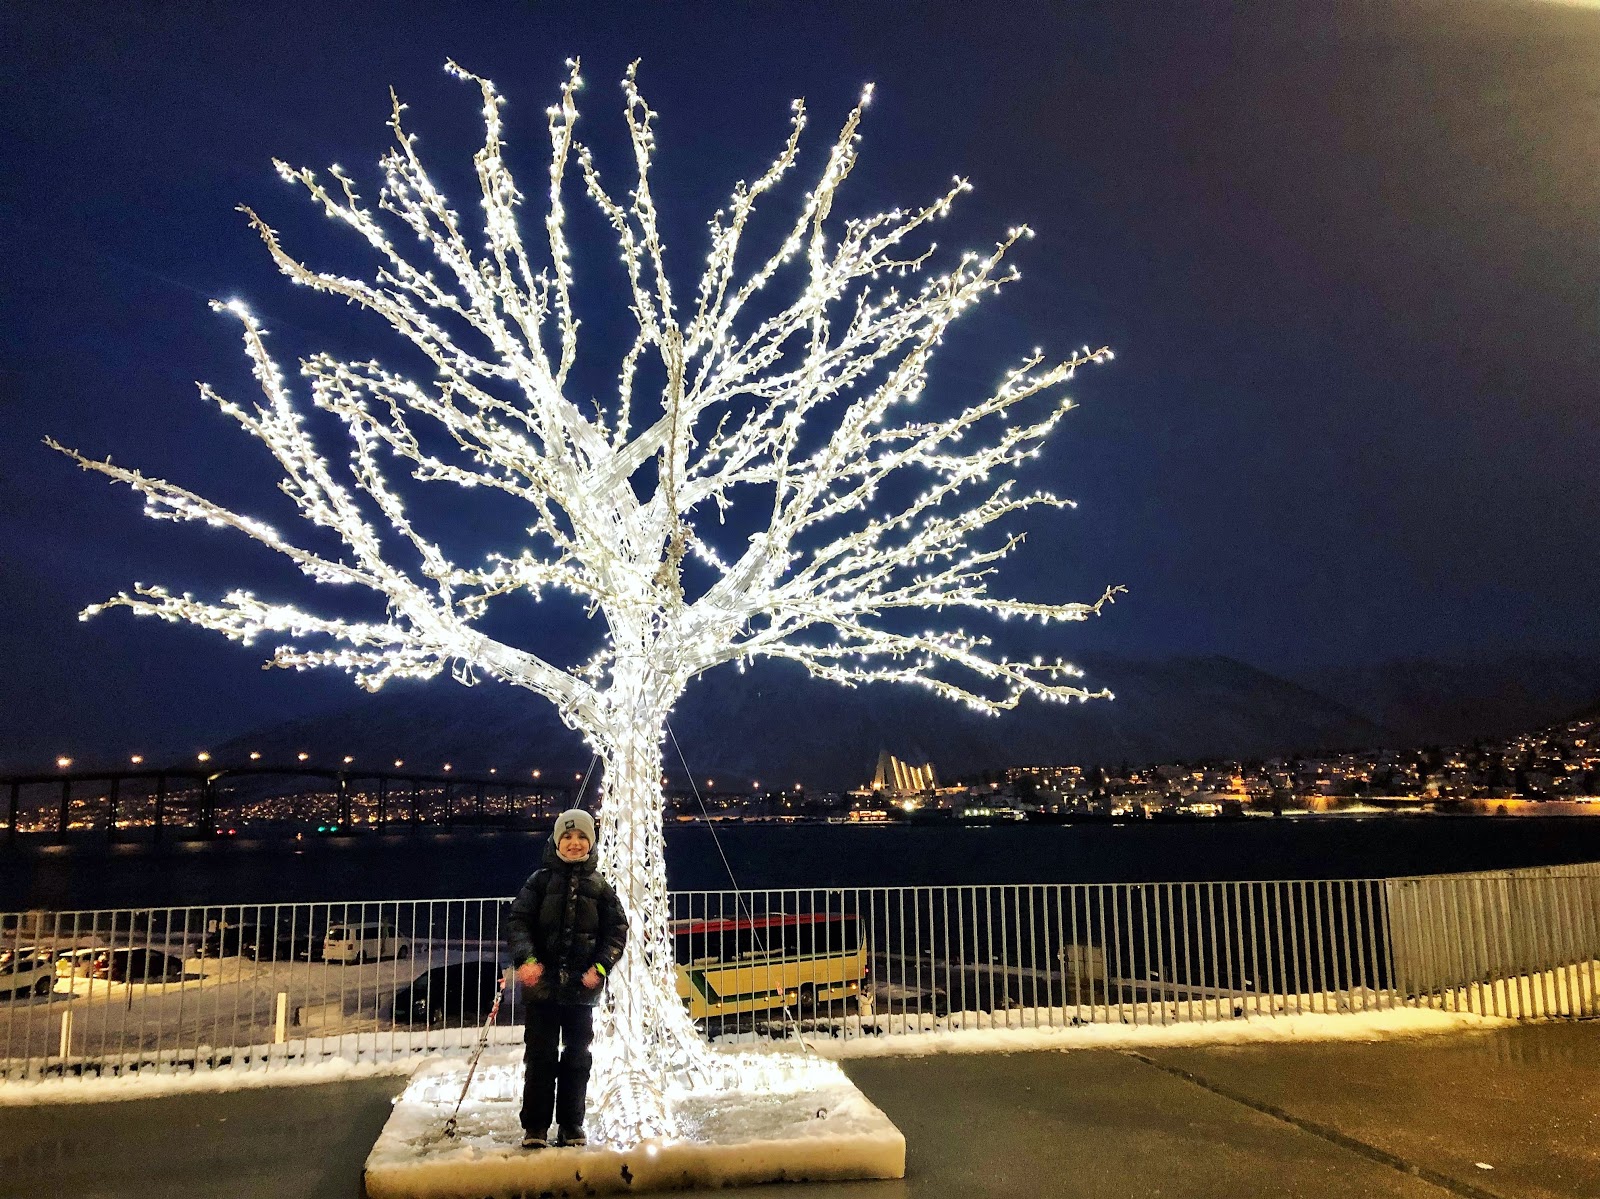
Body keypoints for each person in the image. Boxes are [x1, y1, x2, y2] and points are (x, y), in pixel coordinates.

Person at [507, 808, 627, 1149]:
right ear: (556, 841)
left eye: (581, 837)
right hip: (542, 989)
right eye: (567, 836)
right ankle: (535, 1127)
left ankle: (572, 1125)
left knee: (577, 1059)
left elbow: (617, 932)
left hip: (581, 990)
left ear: (591, 842)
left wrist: (601, 968)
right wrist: (526, 959)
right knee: (541, 1056)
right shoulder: (540, 881)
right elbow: (519, 921)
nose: (574, 843)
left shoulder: (600, 887)